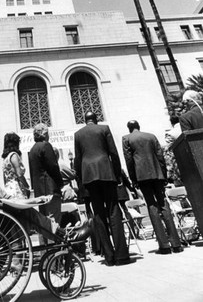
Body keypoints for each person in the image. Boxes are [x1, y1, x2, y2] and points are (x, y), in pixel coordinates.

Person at [0, 149, 94, 246]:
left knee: (27, 210)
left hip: (5, 220)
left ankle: (63, 234)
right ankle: (65, 236)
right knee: (27, 213)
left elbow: (13, 200)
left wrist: (35, 200)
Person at [74, 110, 129, 266]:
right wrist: (117, 174)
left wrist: (81, 179)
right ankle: (121, 255)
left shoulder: (78, 134)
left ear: (85, 120)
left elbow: (78, 160)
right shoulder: (104, 129)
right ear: (96, 119)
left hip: (89, 176)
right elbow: (113, 152)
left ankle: (109, 256)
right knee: (113, 210)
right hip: (106, 172)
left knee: (98, 213)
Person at [122, 120, 182, 254]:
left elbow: (129, 161)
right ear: (139, 126)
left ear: (129, 128)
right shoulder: (151, 136)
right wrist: (164, 175)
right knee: (163, 204)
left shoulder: (127, 139)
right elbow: (160, 156)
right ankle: (176, 243)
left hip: (142, 176)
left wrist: (133, 179)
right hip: (157, 174)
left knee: (151, 205)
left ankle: (164, 245)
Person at [29, 123, 64, 225]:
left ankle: (45, 241)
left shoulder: (32, 149)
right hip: (50, 189)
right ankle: (54, 241)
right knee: (53, 220)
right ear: (44, 134)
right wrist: (60, 183)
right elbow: (53, 167)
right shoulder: (46, 145)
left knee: (43, 221)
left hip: (40, 191)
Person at [2, 132, 30, 199]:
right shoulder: (14, 155)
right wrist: (26, 186)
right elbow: (19, 174)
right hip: (16, 188)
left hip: (8, 188)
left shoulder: (5, 158)